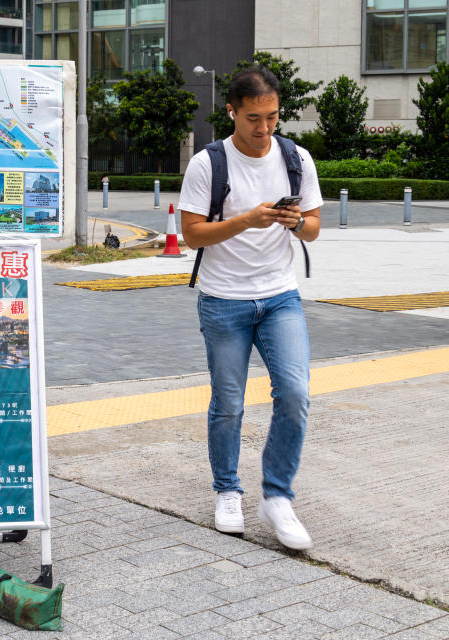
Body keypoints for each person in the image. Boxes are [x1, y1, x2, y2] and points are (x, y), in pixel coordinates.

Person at [179, 66, 323, 551]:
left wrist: (295, 220)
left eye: (273, 117)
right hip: (223, 300)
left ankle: (277, 496)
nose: (264, 128)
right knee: (229, 404)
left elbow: (315, 227)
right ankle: (227, 490)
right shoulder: (208, 163)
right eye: (253, 119)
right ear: (232, 113)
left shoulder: (296, 158)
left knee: (296, 394)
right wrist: (246, 220)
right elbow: (192, 233)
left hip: (281, 295)